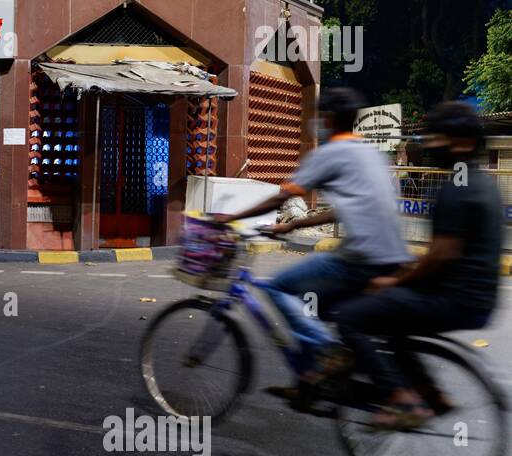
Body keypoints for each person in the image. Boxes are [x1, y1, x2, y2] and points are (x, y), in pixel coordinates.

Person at [214, 87, 413, 399]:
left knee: (279, 287)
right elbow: (342, 209)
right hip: (392, 256)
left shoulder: (331, 153)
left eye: (319, 116)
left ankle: (330, 352)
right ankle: (309, 380)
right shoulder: (370, 152)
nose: (316, 122)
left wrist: (232, 218)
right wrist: (292, 224)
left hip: (359, 257)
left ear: (329, 119)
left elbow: (282, 196)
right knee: (314, 304)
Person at [335, 102, 503, 429]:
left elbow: (440, 255)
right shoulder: (481, 183)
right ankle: (430, 393)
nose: (430, 145)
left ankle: (400, 400)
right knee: (394, 321)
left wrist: (393, 282)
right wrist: (400, 275)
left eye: (437, 138)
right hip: (475, 299)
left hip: (453, 300)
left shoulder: (457, 187)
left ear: (463, 142)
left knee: (351, 318)